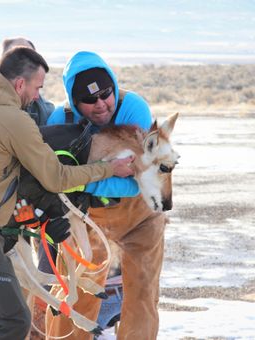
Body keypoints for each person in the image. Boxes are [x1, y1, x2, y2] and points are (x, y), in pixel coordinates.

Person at [0, 47, 133, 340]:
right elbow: (57, 178)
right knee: (14, 322)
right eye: (37, 87)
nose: (36, 96)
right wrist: (108, 169)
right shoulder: (16, 122)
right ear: (20, 84)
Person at [44, 51, 167, 340]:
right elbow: (52, 179)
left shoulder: (133, 108)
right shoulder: (59, 120)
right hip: (86, 218)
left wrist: (80, 180)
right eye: (90, 100)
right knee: (77, 291)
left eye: (106, 94)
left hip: (140, 217)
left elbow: (141, 182)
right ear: (75, 102)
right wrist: (99, 177)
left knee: (142, 291)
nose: (101, 105)